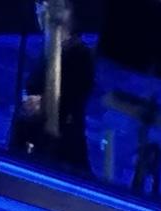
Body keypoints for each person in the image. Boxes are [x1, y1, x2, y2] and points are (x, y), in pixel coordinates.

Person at [7, 0, 96, 172]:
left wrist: (45, 104)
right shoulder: (43, 55)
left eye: (48, 4)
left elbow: (71, 102)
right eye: (39, 4)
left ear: (68, 11)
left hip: (62, 157)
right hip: (33, 150)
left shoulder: (81, 56)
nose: (41, 10)